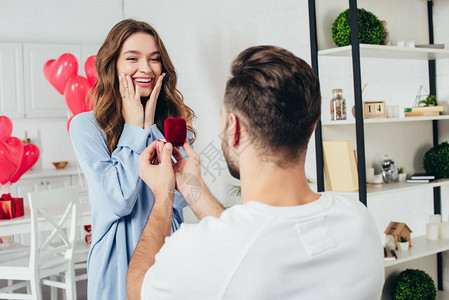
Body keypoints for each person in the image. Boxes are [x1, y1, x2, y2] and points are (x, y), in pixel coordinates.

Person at [128, 45, 385, 299]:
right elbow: (246, 238)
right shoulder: (359, 221)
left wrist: (163, 195)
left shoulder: (201, 250)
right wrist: (191, 186)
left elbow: (137, 288)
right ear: (312, 125)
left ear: (234, 128)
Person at [69, 19, 196, 299]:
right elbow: (119, 200)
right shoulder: (85, 126)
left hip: (168, 251)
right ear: (112, 65)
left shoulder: (175, 127)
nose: (146, 68)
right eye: (132, 58)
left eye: (154, 59)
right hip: (116, 261)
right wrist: (135, 128)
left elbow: (182, 199)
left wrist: (149, 126)